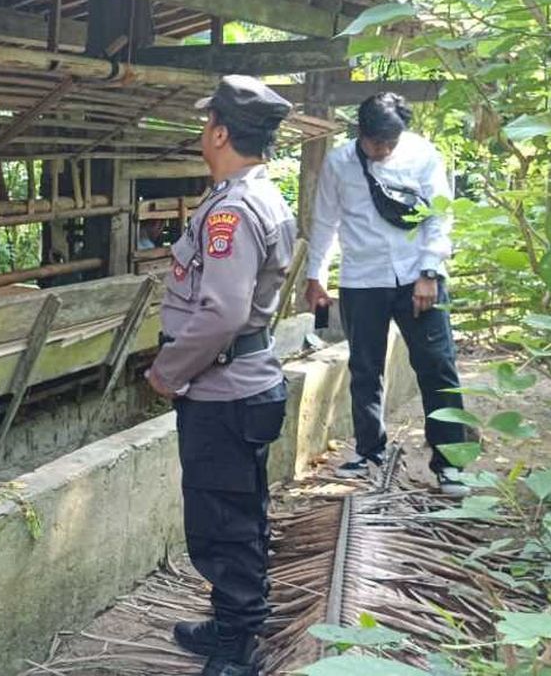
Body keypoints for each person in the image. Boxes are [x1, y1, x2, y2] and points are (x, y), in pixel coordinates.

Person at [145, 75, 295, 676]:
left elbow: (223, 313)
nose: (202, 131)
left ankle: (238, 645)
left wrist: (168, 371)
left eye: (207, 122)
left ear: (221, 133)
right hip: (245, 384)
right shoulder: (260, 196)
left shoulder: (231, 210)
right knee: (237, 511)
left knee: (222, 521)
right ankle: (231, 620)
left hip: (223, 390)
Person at [304, 92, 469, 495]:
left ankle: (450, 462)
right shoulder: (339, 163)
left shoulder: (422, 154)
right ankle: (370, 452)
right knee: (365, 368)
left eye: (390, 142)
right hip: (363, 278)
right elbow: (325, 221)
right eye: (376, 142)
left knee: (438, 365)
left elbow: (440, 216)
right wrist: (315, 276)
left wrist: (429, 272)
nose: (383, 150)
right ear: (360, 132)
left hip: (417, 276)